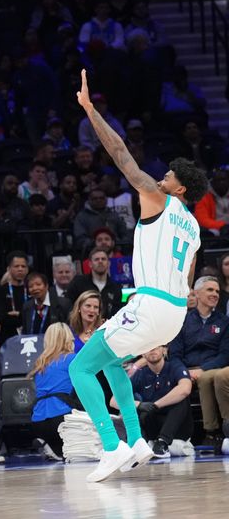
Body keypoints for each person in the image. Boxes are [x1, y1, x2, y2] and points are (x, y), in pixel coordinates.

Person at [69, 69, 209, 482]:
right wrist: (181, 294)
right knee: (112, 362)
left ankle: (110, 448)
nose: (160, 178)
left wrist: (91, 111)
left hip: (149, 304)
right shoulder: (193, 225)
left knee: (81, 368)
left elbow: (120, 154)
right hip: (173, 312)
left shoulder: (160, 199)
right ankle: (136, 440)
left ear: (179, 188)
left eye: (168, 176)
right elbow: (191, 269)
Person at [167, 276, 229, 450]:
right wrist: (183, 373)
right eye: (210, 290)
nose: (215, 294)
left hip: (213, 368)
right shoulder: (182, 320)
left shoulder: (224, 322)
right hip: (185, 369)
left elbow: (225, 355)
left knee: (206, 378)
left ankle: (211, 432)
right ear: (197, 293)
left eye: (217, 291)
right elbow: (175, 354)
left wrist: (203, 369)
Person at [113, 346, 193, 458]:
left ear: (164, 350)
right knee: (136, 407)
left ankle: (162, 442)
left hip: (178, 426)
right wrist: (139, 404)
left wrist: (156, 405)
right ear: (142, 354)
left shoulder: (175, 366)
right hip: (154, 424)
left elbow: (185, 389)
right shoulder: (141, 374)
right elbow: (114, 400)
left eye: (156, 347)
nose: (152, 350)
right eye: (148, 347)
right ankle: (136, 442)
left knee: (182, 399)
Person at [29, 323, 78, 460]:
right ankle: (57, 448)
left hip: (37, 422)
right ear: (68, 338)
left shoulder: (40, 363)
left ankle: (48, 444)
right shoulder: (72, 359)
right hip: (61, 420)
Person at [66, 247, 123, 319]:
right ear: (90, 264)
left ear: (109, 263)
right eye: (96, 259)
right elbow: (68, 306)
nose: (100, 261)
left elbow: (117, 313)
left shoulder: (116, 287)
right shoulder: (78, 283)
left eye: (103, 259)